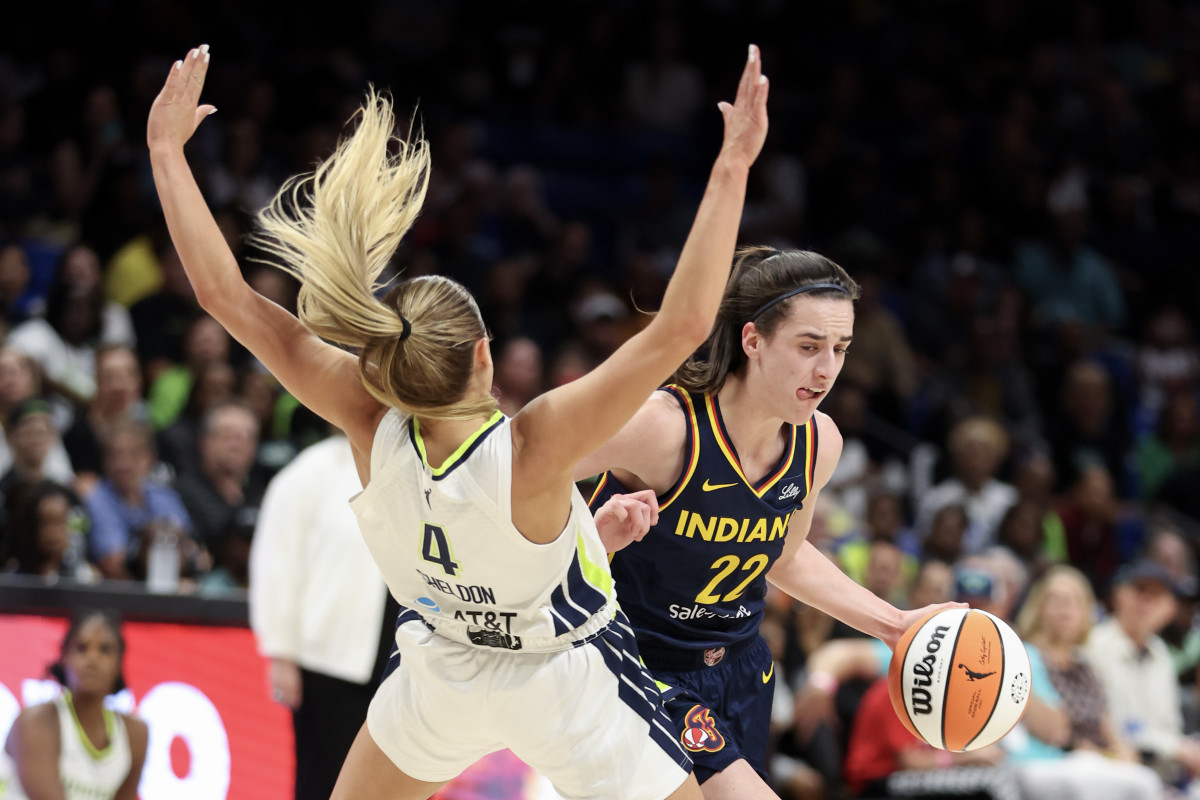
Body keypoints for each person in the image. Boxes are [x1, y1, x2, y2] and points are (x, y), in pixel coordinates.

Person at [148, 41, 771, 800]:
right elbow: (681, 327)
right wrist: (733, 164)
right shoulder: (533, 447)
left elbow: (226, 298)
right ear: (485, 355)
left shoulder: (362, 412)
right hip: (559, 675)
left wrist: (166, 153)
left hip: (442, 667)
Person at [578, 244, 963, 799]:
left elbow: (783, 554)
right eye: (809, 346)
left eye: (840, 348)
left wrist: (894, 625)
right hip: (639, 663)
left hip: (741, 670)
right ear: (753, 339)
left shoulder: (817, 442)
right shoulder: (664, 428)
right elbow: (526, 470)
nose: (827, 368)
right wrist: (588, 539)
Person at [0, 609, 148, 799]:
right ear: (64, 658)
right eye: (81, 648)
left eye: (104, 649)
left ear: (120, 663)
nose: (92, 659)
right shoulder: (35, 722)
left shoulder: (136, 734)